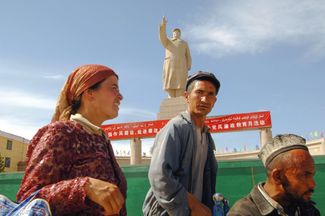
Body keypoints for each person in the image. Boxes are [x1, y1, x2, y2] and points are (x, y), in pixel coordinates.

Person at [16, 64, 127, 215]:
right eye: (113, 88)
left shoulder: (102, 139)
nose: (120, 96)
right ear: (89, 93)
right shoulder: (61, 133)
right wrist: (84, 187)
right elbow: (28, 199)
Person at [143, 71, 221, 216]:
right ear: (186, 96)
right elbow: (159, 175)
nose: (205, 99)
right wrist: (194, 205)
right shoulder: (177, 127)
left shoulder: (206, 135)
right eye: (199, 92)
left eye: (210, 94)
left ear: (215, 100)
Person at [228, 134, 320, 216]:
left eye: (312, 175)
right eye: (304, 175)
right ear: (278, 176)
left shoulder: (306, 208)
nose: (313, 184)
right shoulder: (243, 213)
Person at [159, 16, 192, 98]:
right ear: (172, 34)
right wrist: (163, 26)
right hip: (170, 65)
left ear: (180, 34)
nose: (176, 34)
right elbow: (162, 36)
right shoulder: (167, 41)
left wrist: (189, 65)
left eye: (178, 33)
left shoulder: (184, 43)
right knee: (170, 84)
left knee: (180, 85)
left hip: (181, 66)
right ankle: (170, 100)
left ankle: (179, 100)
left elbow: (188, 55)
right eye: (175, 33)